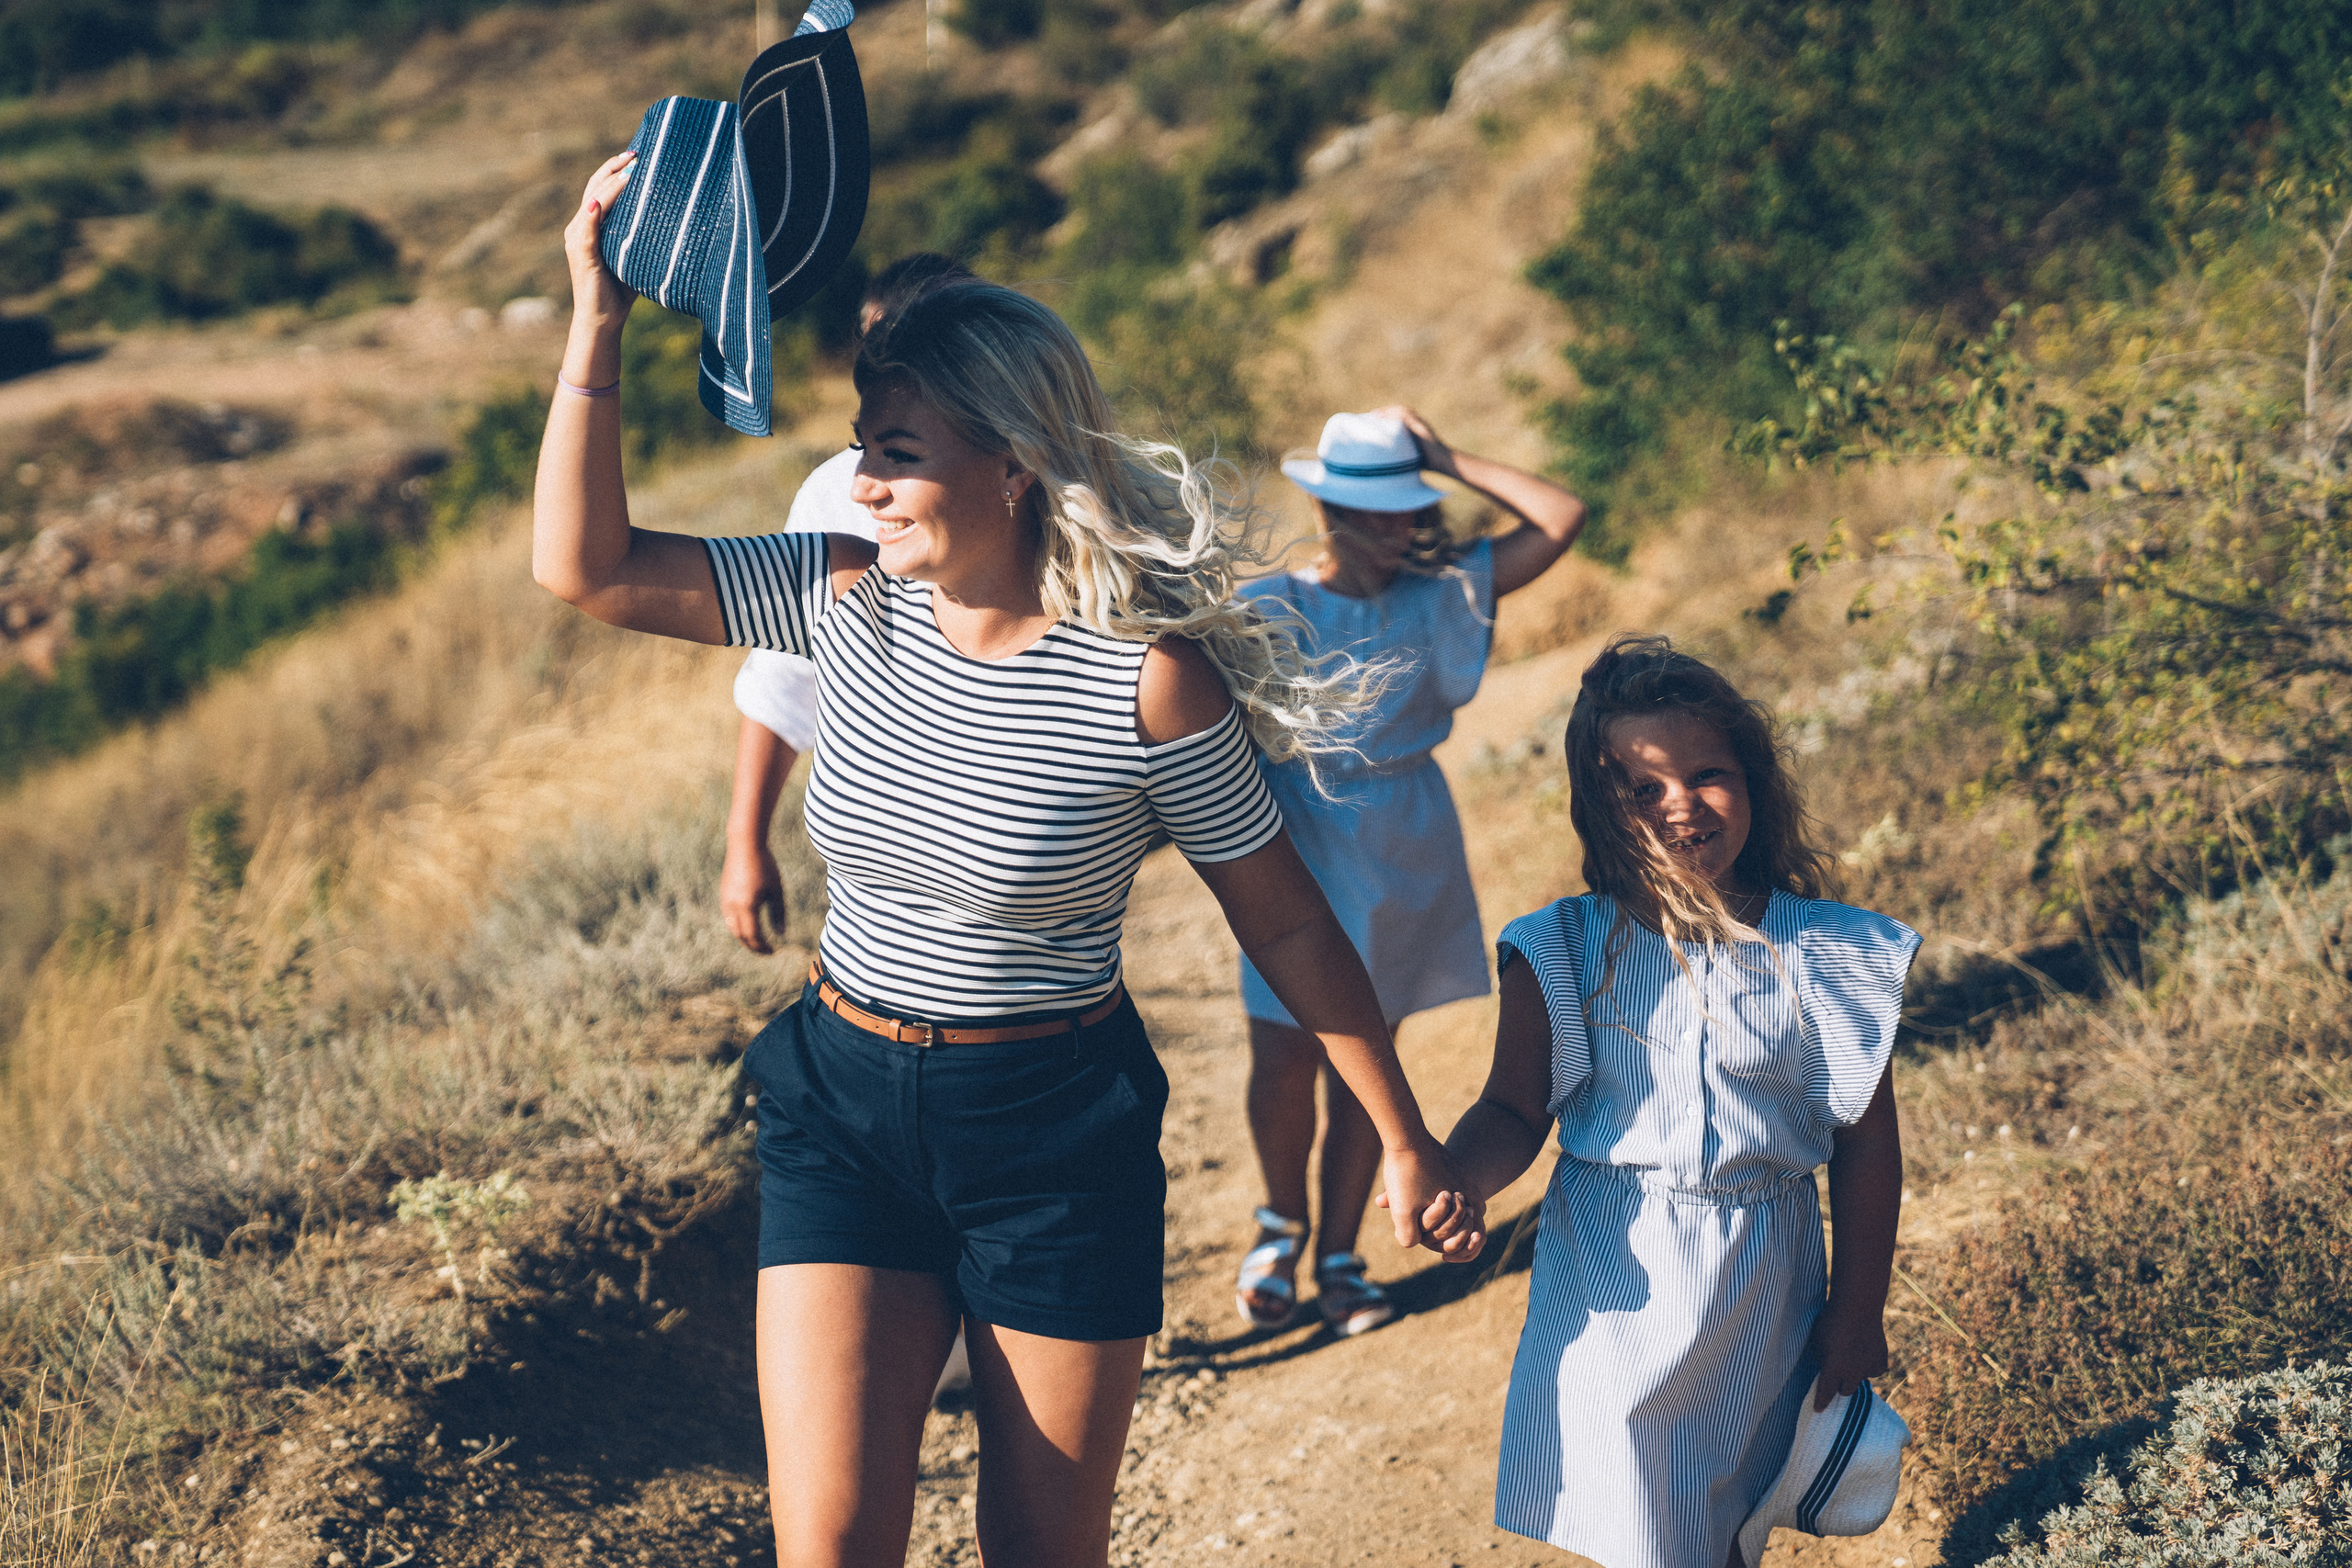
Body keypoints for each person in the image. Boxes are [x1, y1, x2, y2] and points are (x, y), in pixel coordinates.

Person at [537, 152, 1482, 1568]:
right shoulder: (836, 599)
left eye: (897, 450)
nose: (862, 479)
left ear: (1014, 460)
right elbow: (590, 567)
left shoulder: (1150, 685)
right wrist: (597, 324)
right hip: (843, 1105)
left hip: (1051, 1134)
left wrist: (1403, 1137)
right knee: (831, 1548)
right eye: (865, 441)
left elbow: (1289, 926)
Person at [1435, 635, 1916, 1568]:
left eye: (1708, 775)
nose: (1681, 807)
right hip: (1613, 1274)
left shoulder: (1827, 953)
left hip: (1761, 1279)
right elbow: (1509, 1110)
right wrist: (1457, 1175)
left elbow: (1867, 1144)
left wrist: (1859, 1308)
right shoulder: (1562, 948)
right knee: (1643, 1524)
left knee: (1718, 1522)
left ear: (1755, 782)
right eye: (1642, 789)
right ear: (1597, 806)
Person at [1232, 408, 1584, 1337]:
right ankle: (1280, 1224)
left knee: (1370, 1059)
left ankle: (1340, 1254)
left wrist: (1450, 455)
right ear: (1328, 506)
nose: (1400, 528)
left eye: (1409, 509)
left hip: (1403, 840)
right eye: (1378, 511)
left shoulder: (1443, 591)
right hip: (1299, 831)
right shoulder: (1272, 603)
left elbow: (1561, 515)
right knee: (1281, 1050)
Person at [723, 253, 974, 957]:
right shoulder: (838, 495)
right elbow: (784, 677)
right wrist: (745, 842)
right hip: (880, 878)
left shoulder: (1056, 484)